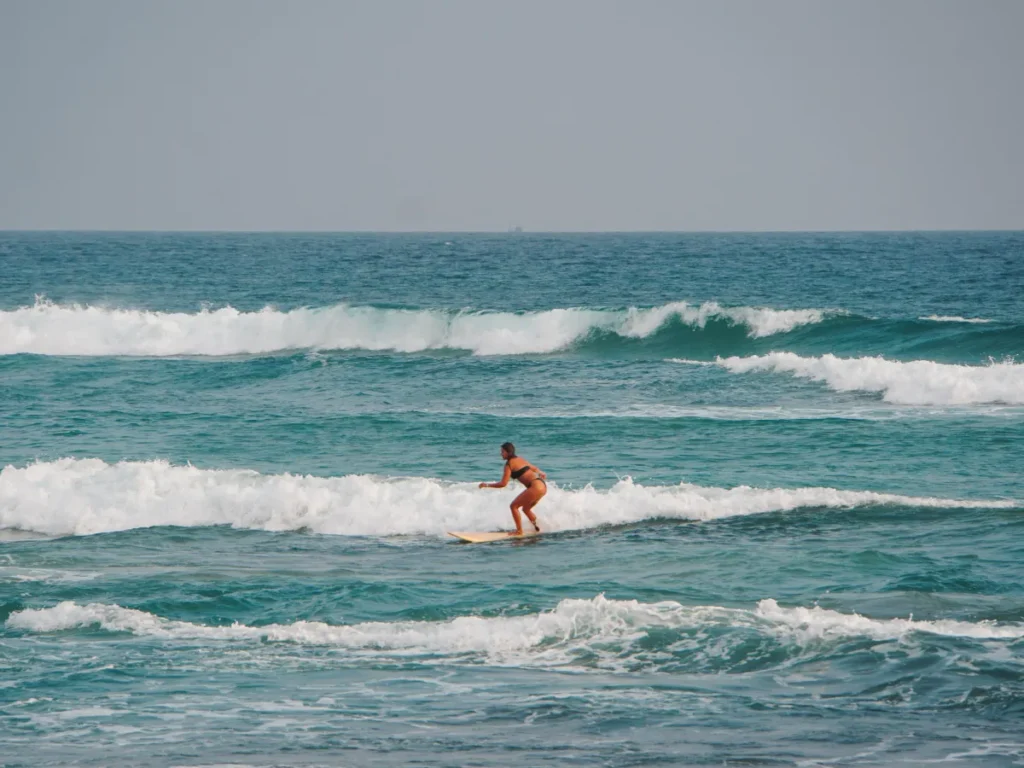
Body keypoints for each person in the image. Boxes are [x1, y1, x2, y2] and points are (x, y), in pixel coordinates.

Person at [479, 442, 546, 536]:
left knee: (513, 506)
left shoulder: (509, 464)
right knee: (526, 509)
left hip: (535, 486)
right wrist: (541, 472)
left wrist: (486, 485)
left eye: (502, 452)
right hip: (542, 485)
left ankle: (519, 531)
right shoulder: (520, 459)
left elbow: (503, 484)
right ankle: (537, 527)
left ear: (508, 452)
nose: (501, 454)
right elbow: (534, 468)